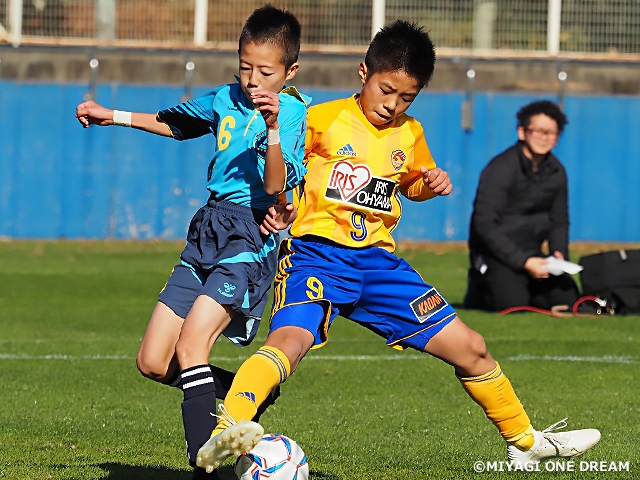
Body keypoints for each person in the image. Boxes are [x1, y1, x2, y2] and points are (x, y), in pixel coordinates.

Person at [194, 22, 600, 474]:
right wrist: (280, 206)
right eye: (387, 90)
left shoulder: (410, 133)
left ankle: (525, 443)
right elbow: (281, 171)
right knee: (288, 342)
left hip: (380, 267)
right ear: (363, 72)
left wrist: (431, 183)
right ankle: (225, 431)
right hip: (316, 257)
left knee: (472, 347)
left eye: (407, 97)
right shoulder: (319, 119)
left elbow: (411, 183)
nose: (393, 105)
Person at [75, 5, 309, 479]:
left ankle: (203, 463)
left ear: (289, 71)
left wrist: (270, 130)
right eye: (245, 67)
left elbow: (275, 187)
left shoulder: (291, 114)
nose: (252, 79)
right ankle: (246, 391)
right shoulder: (224, 98)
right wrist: (110, 116)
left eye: (265, 71)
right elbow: (174, 121)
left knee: (192, 346)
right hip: (207, 231)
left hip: (249, 235)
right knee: (152, 360)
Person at [463, 100, 581, 312]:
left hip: (535, 254)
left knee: (569, 301)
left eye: (551, 133)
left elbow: (559, 221)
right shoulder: (500, 169)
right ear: (522, 132)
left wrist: (558, 254)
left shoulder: (557, 172)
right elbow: (484, 225)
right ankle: (479, 287)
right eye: (538, 130)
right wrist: (524, 261)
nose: (544, 137)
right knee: (514, 305)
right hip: (497, 254)